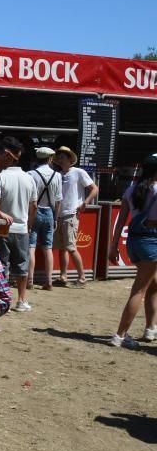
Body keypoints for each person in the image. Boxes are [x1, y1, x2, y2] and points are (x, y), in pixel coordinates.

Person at [107, 154, 157, 349]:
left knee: (152, 284)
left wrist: (113, 245)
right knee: (140, 289)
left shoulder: (131, 190)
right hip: (152, 242)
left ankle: (150, 328)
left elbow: (120, 221)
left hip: (134, 243)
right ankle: (120, 335)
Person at [0, 148, 36, 312]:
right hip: (21, 228)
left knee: (1, 264)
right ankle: (22, 300)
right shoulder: (29, 179)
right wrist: (29, 225)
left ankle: (3, 299)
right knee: (21, 265)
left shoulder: (0, 177)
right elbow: (34, 205)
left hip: (1, 226)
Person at [53, 146, 99, 287]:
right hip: (60, 216)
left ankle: (82, 277)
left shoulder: (78, 172)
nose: (60, 159)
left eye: (62, 156)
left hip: (71, 214)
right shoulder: (58, 175)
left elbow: (95, 188)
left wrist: (85, 203)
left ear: (69, 158)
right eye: (58, 157)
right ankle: (63, 276)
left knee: (71, 247)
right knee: (62, 249)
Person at [27, 147, 63, 291]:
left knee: (31, 246)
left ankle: (29, 280)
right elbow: (58, 200)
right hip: (49, 211)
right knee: (48, 248)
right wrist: (55, 218)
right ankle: (48, 281)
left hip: (34, 212)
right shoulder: (57, 175)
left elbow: (29, 198)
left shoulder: (30, 174)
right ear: (49, 159)